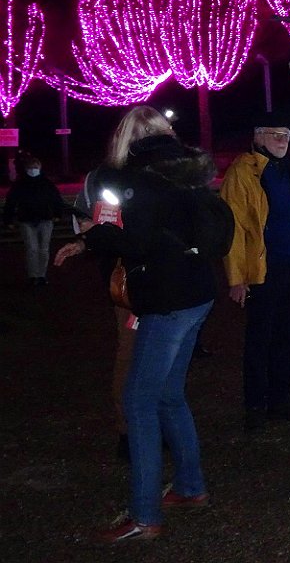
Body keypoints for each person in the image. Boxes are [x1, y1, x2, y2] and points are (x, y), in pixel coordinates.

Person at [54, 123, 227, 544]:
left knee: (138, 401)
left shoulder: (141, 180)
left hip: (167, 299)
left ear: (131, 142)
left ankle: (145, 516)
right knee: (168, 394)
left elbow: (136, 240)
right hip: (198, 292)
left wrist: (93, 236)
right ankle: (190, 486)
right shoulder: (188, 173)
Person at [68, 107, 180, 461]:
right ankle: (129, 430)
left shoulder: (173, 174)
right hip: (130, 280)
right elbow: (89, 222)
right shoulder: (107, 178)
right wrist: (91, 236)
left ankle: (156, 424)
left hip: (168, 279)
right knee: (132, 354)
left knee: (164, 358)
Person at [220, 112, 290, 431]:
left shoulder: (289, 169)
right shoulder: (243, 172)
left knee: (285, 335)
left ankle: (280, 399)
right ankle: (255, 405)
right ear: (257, 136)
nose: (281, 140)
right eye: (275, 134)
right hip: (263, 269)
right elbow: (233, 228)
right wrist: (237, 277)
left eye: (286, 134)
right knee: (259, 338)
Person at [3, 154, 63, 286]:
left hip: (45, 219)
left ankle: (42, 275)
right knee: (32, 249)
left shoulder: (46, 183)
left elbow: (56, 199)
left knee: (44, 249)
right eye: (31, 167)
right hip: (27, 220)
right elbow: (11, 202)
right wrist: (8, 219)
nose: (33, 170)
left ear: (40, 168)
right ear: (26, 169)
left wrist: (58, 213)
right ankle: (33, 275)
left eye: (35, 167)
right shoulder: (20, 184)